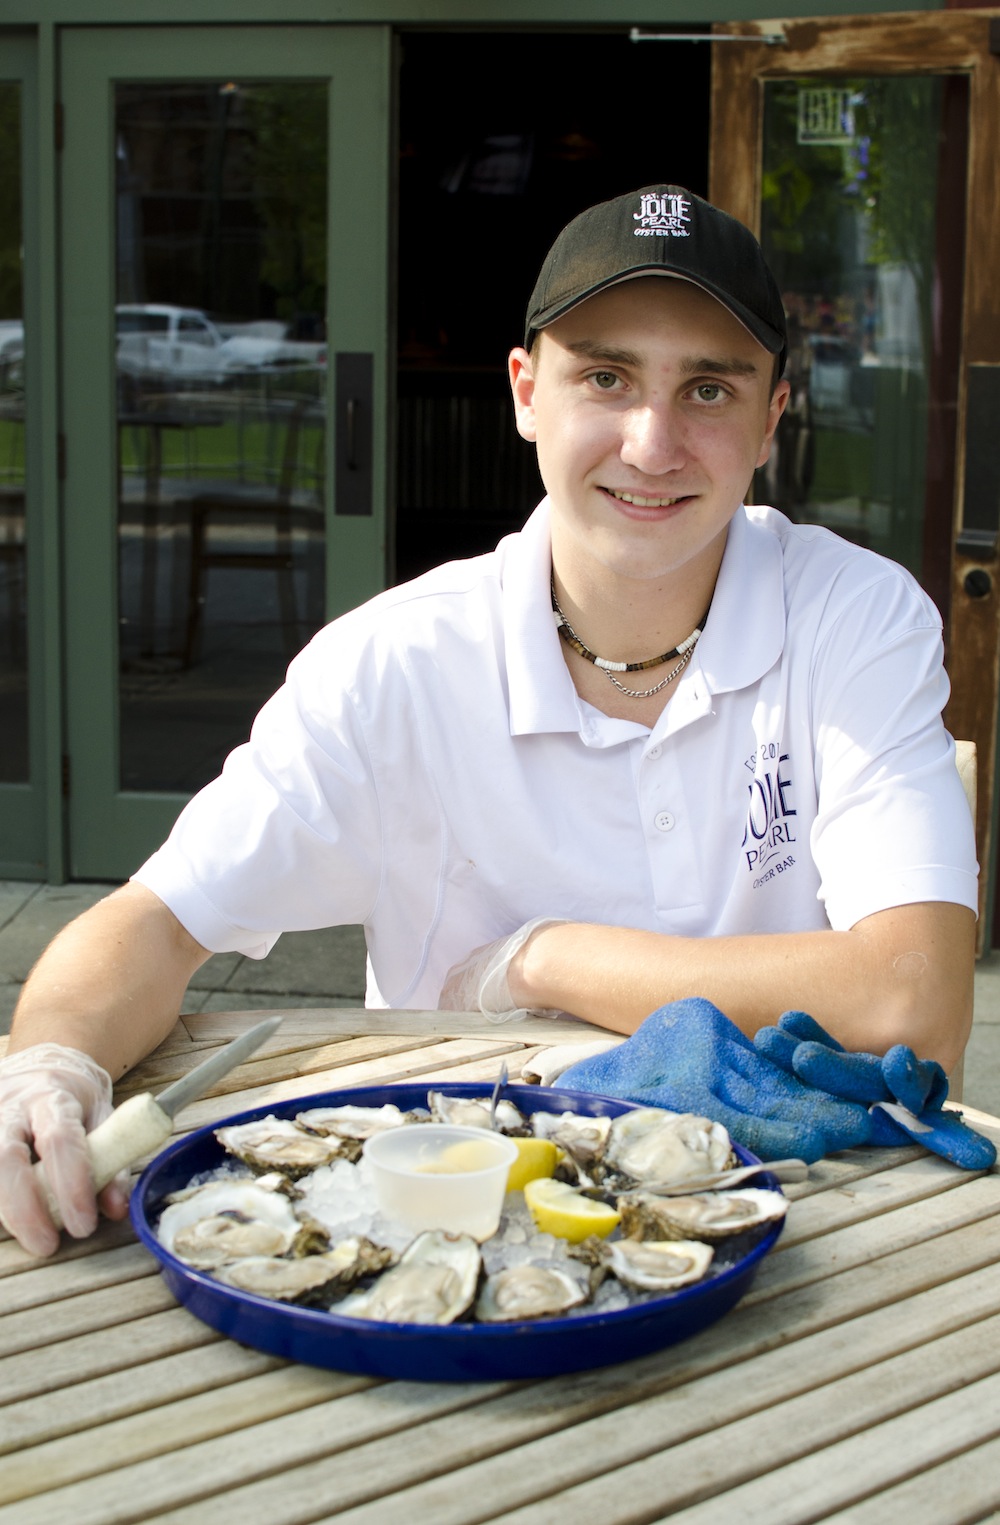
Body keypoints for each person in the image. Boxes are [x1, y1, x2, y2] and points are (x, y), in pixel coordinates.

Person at [0, 185, 977, 1256]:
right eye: (603, 377)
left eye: (708, 387)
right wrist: (48, 1066)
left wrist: (540, 957)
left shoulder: (853, 615)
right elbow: (157, 923)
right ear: (525, 391)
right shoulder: (397, 662)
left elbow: (911, 996)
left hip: (796, 1223)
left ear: (772, 417)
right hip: (449, 1225)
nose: (651, 444)